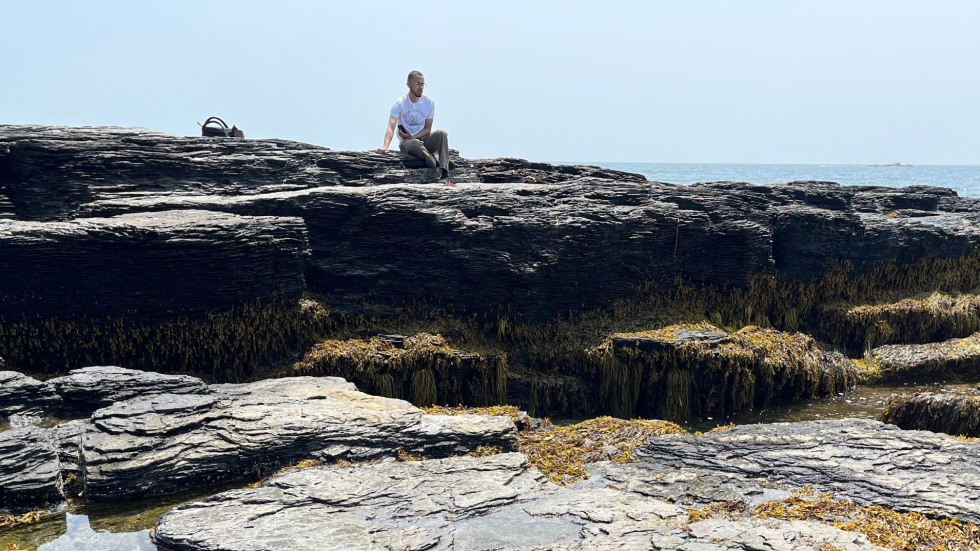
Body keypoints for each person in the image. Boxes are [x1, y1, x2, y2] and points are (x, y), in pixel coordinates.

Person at [378, 70, 452, 180]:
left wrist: (413, 136)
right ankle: (434, 163)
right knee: (413, 143)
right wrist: (385, 146)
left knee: (441, 133)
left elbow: (427, 129)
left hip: (424, 140)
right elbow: (391, 127)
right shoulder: (399, 103)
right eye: (417, 84)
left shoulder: (429, 102)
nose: (420, 87)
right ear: (409, 84)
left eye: (422, 84)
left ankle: (444, 170)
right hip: (407, 143)